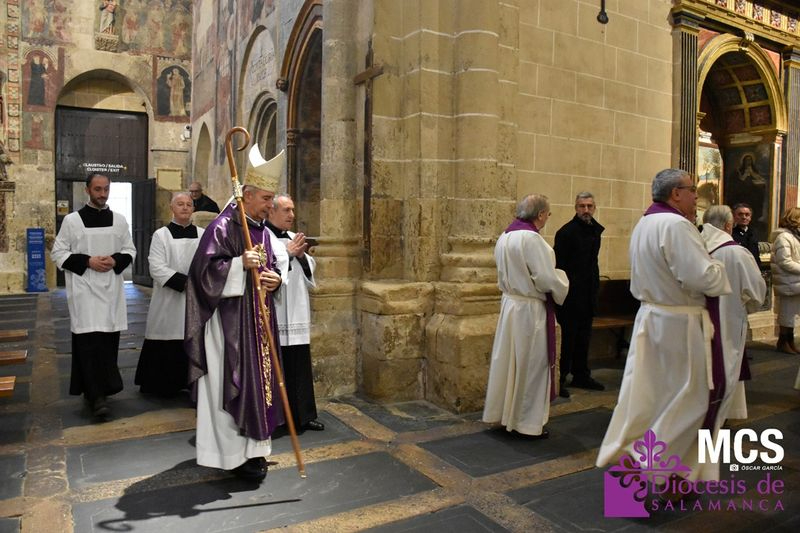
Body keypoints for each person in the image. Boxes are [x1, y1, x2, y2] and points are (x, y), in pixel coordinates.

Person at [596, 168, 730, 483]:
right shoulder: (677, 225)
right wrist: (719, 267)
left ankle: (676, 479)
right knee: (689, 401)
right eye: (692, 189)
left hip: (652, 317)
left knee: (649, 399)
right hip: (679, 325)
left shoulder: (646, 223)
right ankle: (645, 465)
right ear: (675, 193)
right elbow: (701, 277)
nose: (697, 196)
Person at [184, 148, 287, 482]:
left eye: (272, 199)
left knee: (263, 385)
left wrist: (274, 279)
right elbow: (201, 272)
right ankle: (231, 456)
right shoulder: (223, 225)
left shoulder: (261, 231)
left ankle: (256, 453)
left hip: (259, 322)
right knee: (233, 384)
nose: (270, 205)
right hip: (229, 325)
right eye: (267, 198)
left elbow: (269, 269)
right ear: (248, 194)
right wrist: (237, 265)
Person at [482, 194, 569, 439]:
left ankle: (505, 414)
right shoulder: (532, 240)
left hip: (510, 306)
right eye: (548, 215)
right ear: (541, 214)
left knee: (510, 363)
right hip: (530, 311)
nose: (547, 219)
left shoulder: (505, 236)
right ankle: (526, 424)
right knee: (532, 366)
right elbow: (545, 278)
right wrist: (563, 281)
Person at [51, 173, 137, 418]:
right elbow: (58, 253)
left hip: (110, 290)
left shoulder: (119, 221)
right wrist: (87, 261)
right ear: (87, 190)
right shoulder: (72, 221)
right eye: (97, 189)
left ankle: (105, 389)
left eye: (106, 189)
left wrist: (116, 259)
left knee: (107, 342)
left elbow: (130, 249)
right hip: (84, 292)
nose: (102, 194)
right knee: (88, 344)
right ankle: (93, 394)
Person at [701, 206, 765, 422]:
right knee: (726, 362)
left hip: (694, 320)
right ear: (729, 225)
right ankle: (723, 413)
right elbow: (756, 291)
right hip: (728, 318)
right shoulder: (737, 253)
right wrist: (747, 308)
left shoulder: (693, 248)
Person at [135, 192, 204, 396]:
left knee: (190, 335)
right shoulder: (161, 235)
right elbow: (156, 267)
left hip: (195, 298)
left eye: (189, 205)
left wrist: (199, 282)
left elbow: (207, 263)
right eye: (180, 204)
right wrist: (186, 283)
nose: (185, 208)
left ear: (193, 209)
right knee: (166, 334)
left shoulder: (202, 234)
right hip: (168, 298)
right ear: (171, 208)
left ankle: (191, 382)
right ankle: (162, 385)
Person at [266, 193, 324, 432]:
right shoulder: (262, 236)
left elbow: (311, 268)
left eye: (292, 210)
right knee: (277, 365)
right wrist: (287, 253)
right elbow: (265, 268)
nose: (292, 215)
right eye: (286, 210)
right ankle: (278, 418)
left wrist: (301, 256)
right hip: (277, 311)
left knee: (299, 365)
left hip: (297, 311)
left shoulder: (292, 237)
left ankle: (304, 415)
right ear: (272, 211)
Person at [553, 192, 605, 398]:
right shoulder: (566, 232)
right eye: (582, 206)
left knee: (584, 336)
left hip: (588, 292)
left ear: (594, 207)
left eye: (589, 206)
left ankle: (581, 374)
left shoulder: (595, 231)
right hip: (571, 295)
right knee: (568, 338)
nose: (586, 210)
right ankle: (561, 376)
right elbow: (559, 266)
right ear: (575, 208)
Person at [770, 207, 800, 354]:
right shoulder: (783, 237)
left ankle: (790, 341)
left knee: (791, 315)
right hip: (788, 281)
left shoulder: (794, 236)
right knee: (786, 314)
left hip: (794, 281)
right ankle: (783, 342)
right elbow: (784, 261)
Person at [731, 203, 762, 268]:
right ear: (734, 216)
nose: (744, 217)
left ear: (750, 217)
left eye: (747, 215)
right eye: (740, 214)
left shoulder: (753, 233)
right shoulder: (730, 234)